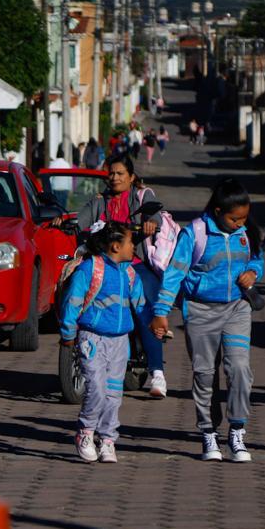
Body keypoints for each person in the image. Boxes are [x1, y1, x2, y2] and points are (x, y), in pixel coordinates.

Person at [151, 177, 264, 462]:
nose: (240, 223)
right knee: (204, 374)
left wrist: (253, 272)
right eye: (234, 218)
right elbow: (175, 273)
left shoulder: (246, 231)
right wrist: (161, 312)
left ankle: (237, 429)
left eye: (244, 218)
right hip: (200, 311)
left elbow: (256, 258)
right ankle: (208, 432)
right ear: (217, 211)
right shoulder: (195, 234)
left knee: (239, 368)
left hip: (237, 308)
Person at [75, 154, 168, 398]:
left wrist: (150, 224)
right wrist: (67, 223)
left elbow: (155, 217)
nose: (114, 178)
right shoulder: (99, 201)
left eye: (120, 174)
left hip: (135, 265)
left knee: (146, 309)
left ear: (131, 177)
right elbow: (80, 221)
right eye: (111, 173)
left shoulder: (142, 196)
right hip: (102, 265)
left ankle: (157, 372)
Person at [59, 221, 145, 463]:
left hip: (120, 341)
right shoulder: (90, 269)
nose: (133, 247)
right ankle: (86, 432)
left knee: (113, 393)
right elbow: (72, 302)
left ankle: (108, 439)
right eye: (130, 242)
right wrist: (68, 333)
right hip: (91, 337)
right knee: (96, 386)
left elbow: (140, 305)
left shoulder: (129, 272)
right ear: (116, 246)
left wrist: (156, 320)